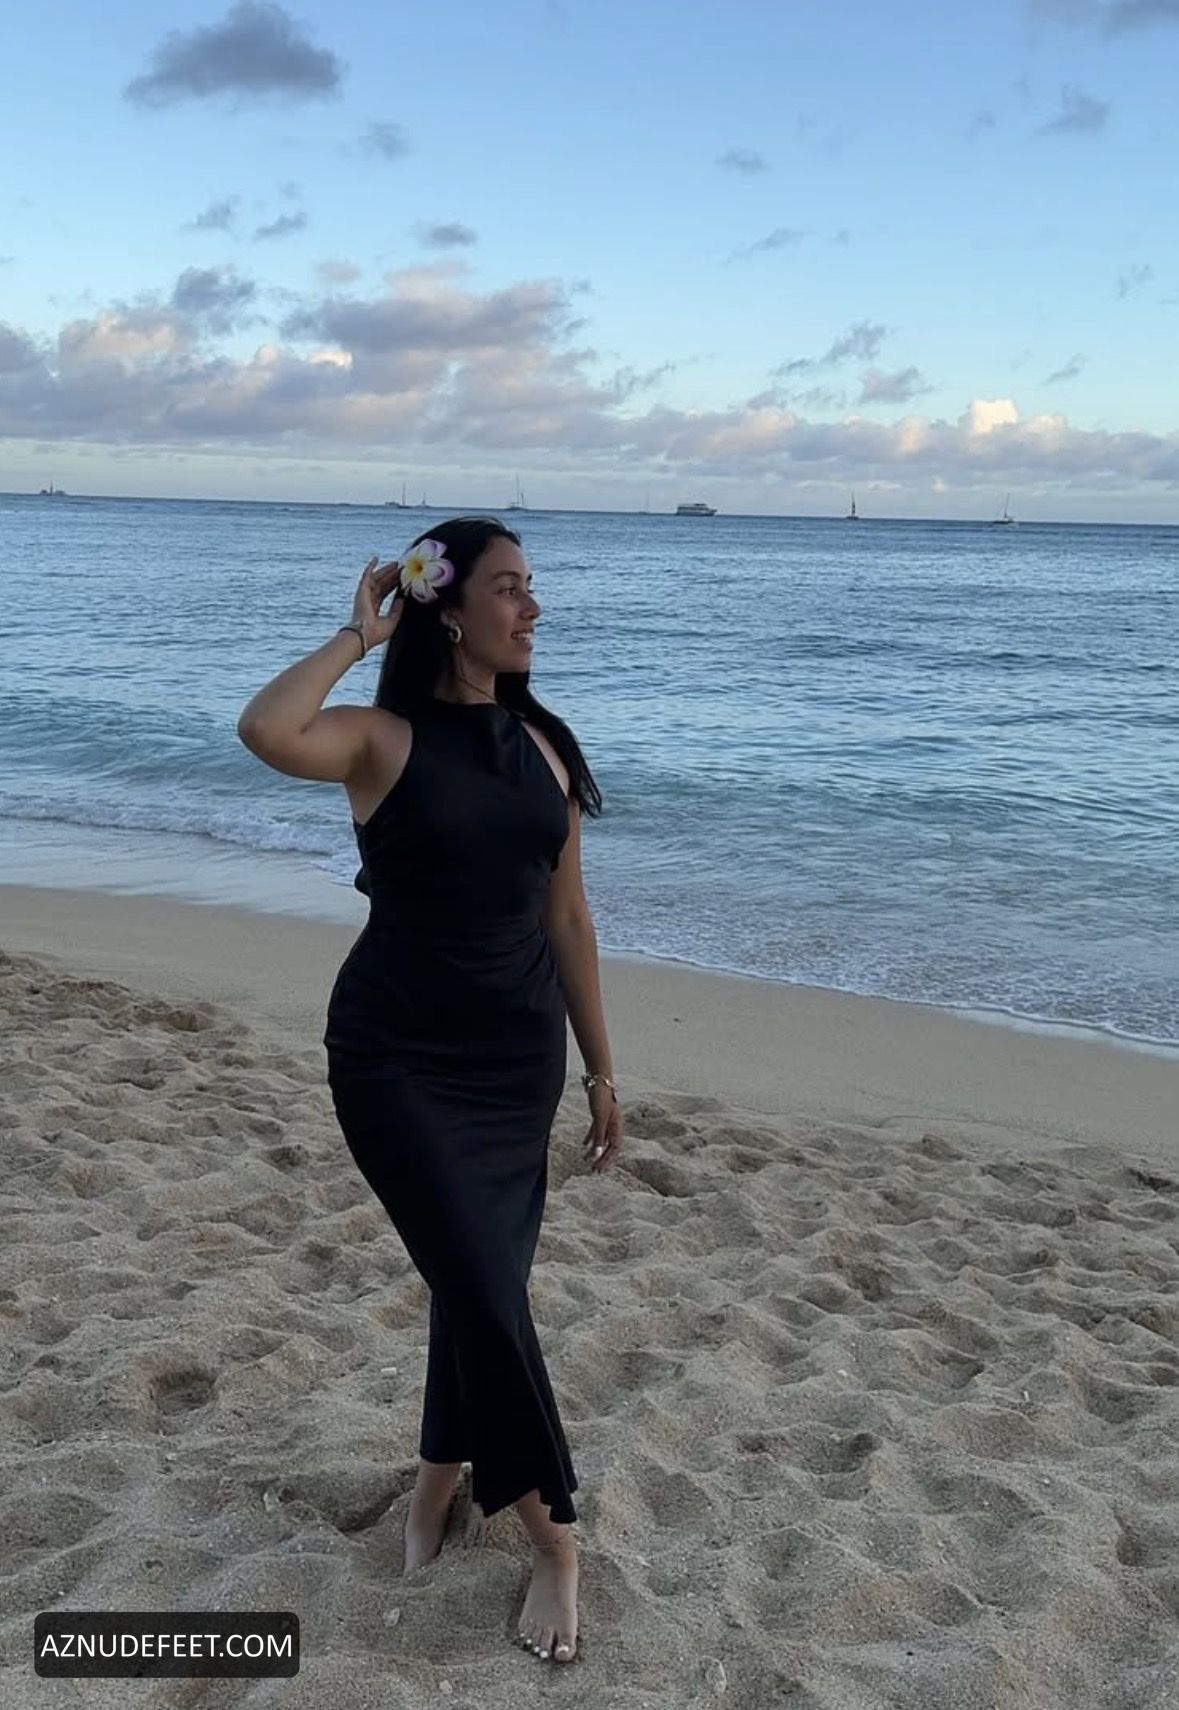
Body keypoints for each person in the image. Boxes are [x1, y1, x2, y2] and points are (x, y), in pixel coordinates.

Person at [236, 515, 623, 1666]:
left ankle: (435, 1482)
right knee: (487, 1291)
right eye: (508, 587)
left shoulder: (543, 746)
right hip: (396, 1061)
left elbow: (569, 920)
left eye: (533, 586)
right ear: (448, 610)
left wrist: (603, 1069)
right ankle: (555, 1542)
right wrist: (358, 636)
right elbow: (266, 727)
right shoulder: (380, 740)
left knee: (477, 1285)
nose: (532, 607)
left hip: (517, 1068)